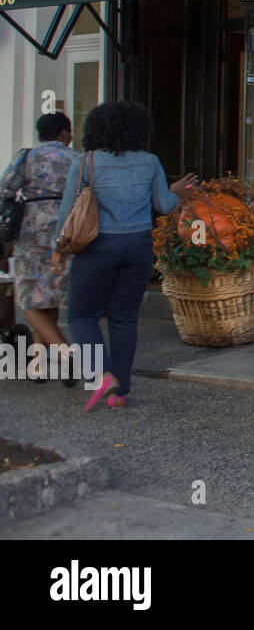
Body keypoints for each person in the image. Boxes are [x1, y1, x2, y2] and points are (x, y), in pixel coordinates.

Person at [51, 102, 195, 411]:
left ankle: (102, 374)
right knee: (124, 318)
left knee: (82, 315)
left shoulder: (86, 162)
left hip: (97, 246)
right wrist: (177, 191)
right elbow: (165, 205)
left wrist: (58, 249)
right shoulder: (149, 161)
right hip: (138, 246)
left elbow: (67, 211)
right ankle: (120, 392)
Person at [0, 113, 77, 385]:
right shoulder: (75, 158)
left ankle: (64, 353)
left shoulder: (27, 156)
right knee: (50, 295)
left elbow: (5, 187)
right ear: (64, 134)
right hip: (66, 231)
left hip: (32, 231)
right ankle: (37, 364)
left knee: (29, 298)